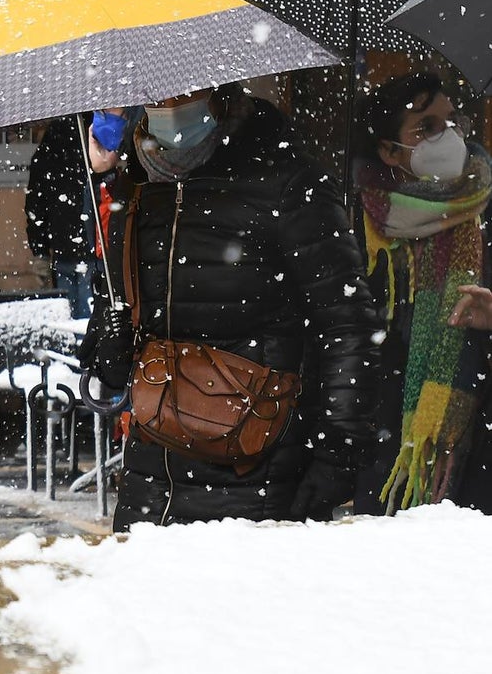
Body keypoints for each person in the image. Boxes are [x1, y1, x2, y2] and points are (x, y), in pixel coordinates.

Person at [79, 84, 381, 532]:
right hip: (150, 477)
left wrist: (336, 454)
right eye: (157, 93)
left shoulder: (287, 181)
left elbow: (346, 324)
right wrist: (109, 347)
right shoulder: (137, 186)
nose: (170, 106)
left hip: (259, 472)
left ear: (218, 85)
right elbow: (113, 311)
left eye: (183, 90)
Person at [351, 71, 492, 514]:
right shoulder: (361, 226)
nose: (447, 136)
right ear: (390, 151)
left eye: (451, 121)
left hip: (473, 454)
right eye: (426, 127)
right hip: (380, 447)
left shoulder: (485, 206)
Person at [25, 115, 97, 317]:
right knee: (90, 316)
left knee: (68, 318)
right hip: (92, 246)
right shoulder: (93, 139)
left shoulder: (49, 149)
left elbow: (35, 206)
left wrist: (40, 251)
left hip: (62, 247)